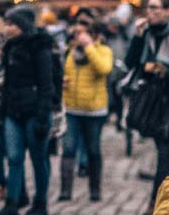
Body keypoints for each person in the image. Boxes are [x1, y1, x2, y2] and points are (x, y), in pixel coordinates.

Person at [0, 5, 56, 215]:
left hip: (34, 111)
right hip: (13, 110)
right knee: (14, 158)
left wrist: (42, 116)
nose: (7, 28)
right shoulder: (10, 47)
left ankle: (40, 203)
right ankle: (12, 203)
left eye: (11, 23)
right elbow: (7, 83)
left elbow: (47, 84)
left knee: (39, 159)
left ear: (23, 25)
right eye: (6, 23)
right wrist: (2, 113)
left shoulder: (40, 46)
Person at [125, 0, 169, 208]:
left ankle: (158, 204)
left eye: (155, 8)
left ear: (168, 11)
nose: (150, 12)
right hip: (156, 103)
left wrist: (166, 71)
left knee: (165, 153)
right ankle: (168, 202)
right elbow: (130, 63)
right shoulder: (147, 34)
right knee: (165, 154)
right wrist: (137, 36)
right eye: (149, 8)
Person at [58, 21, 111, 202]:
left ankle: (95, 190)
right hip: (72, 109)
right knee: (68, 149)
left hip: (94, 110)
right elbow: (59, 72)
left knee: (93, 149)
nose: (78, 37)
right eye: (76, 33)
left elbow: (104, 68)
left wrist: (89, 47)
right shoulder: (68, 52)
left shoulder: (103, 51)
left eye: (82, 33)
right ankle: (66, 190)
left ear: (93, 34)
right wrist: (61, 81)